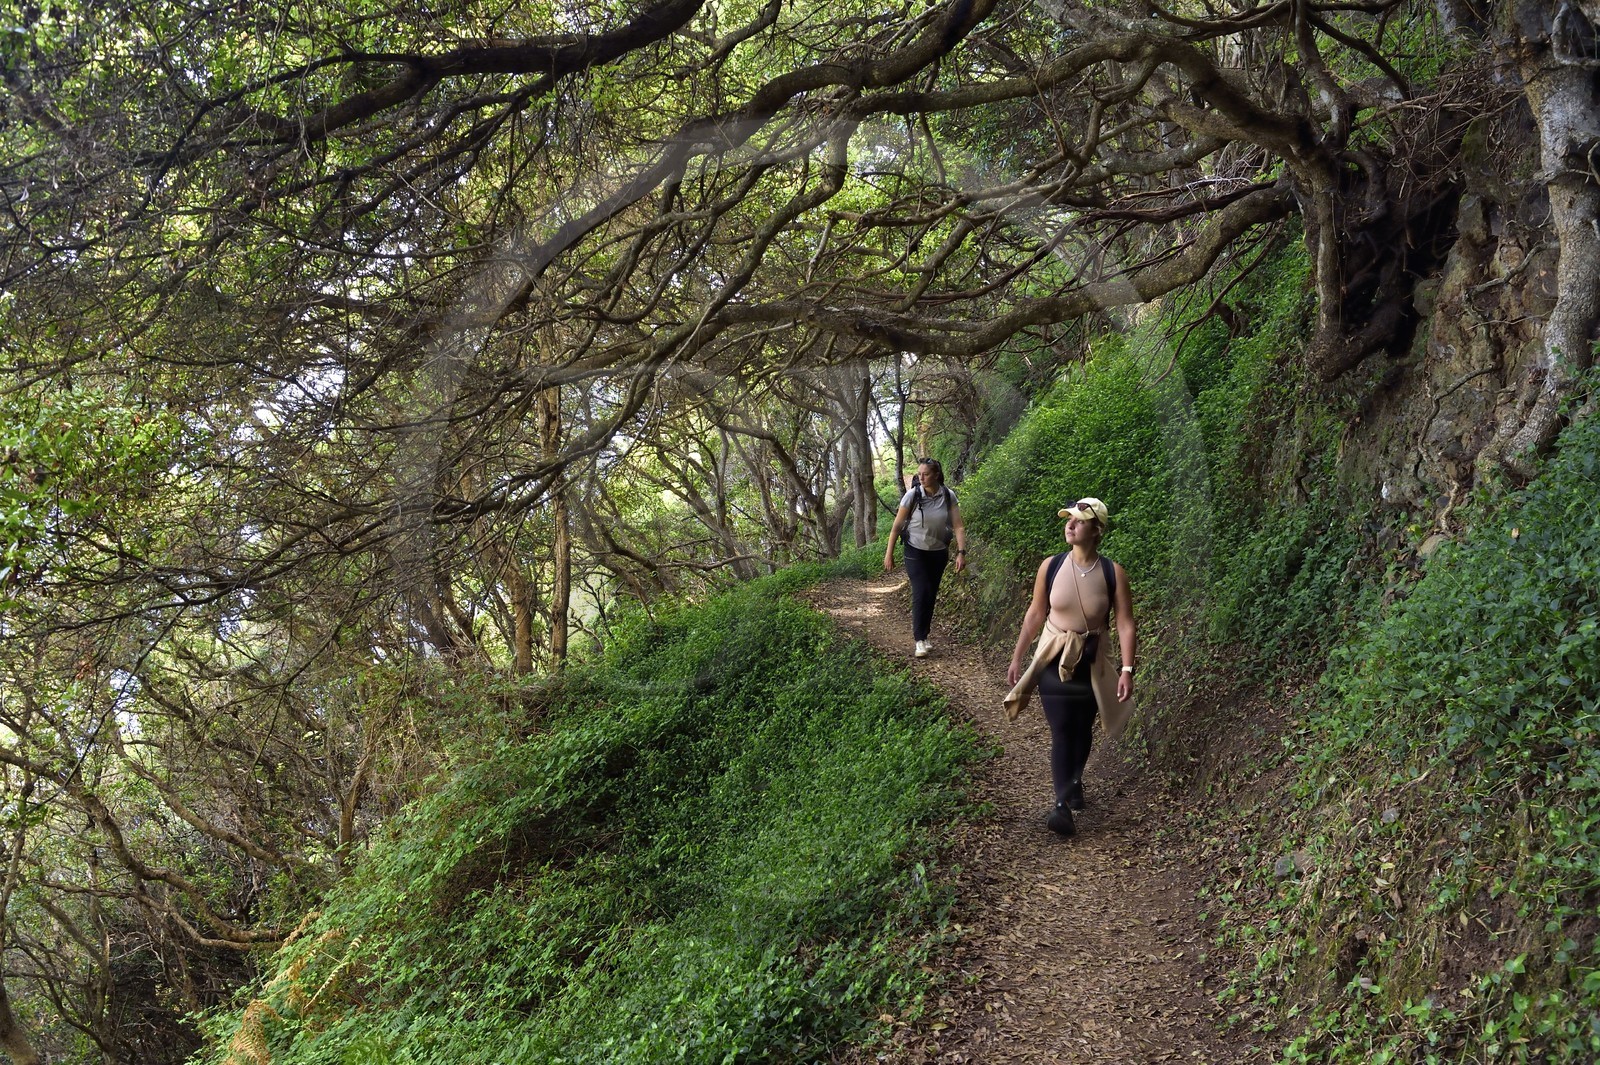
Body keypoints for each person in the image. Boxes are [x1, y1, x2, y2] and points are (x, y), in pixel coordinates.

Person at [1002, 497, 1136, 837]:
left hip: (1091, 660)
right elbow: (1035, 614)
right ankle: (1061, 805)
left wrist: (1126, 669)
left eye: (1078, 521)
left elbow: (1124, 624)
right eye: (1068, 519)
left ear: (1096, 530)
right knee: (1062, 727)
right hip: (1053, 657)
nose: (1070, 525)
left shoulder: (1112, 573)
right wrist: (1019, 656)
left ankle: (1075, 781)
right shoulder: (1051, 566)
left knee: (1082, 729)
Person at [883, 459, 968, 658]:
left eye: (926, 474)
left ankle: (925, 635)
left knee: (930, 594)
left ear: (936, 475)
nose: (921, 477)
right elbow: (896, 527)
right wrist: (889, 554)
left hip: (938, 551)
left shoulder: (948, 496)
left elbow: (958, 526)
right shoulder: (912, 496)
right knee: (921, 591)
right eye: (919, 473)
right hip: (915, 551)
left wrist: (961, 552)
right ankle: (919, 639)